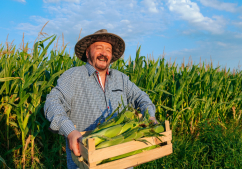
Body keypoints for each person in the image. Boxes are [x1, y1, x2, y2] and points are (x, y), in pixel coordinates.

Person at [44, 29, 158, 169]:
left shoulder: (121, 78)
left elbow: (142, 98)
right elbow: (52, 101)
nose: (104, 53)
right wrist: (70, 131)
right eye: (99, 48)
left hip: (122, 161)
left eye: (108, 50)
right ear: (87, 53)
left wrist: (150, 116)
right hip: (85, 162)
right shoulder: (73, 76)